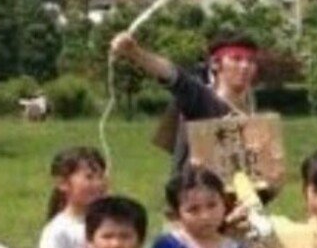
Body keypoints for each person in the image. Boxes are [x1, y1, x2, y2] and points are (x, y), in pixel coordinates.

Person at [109, 30, 262, 177]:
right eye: (236, 59)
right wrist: (134, 52)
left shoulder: (251, 113)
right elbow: (174, 76)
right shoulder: (203, 99)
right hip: (194, 193)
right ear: (215, 63)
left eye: (251, 61)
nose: (245, 66)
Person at [38, 147, 108, 248]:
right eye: (89, 177)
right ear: (62, 183)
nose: (98, 183)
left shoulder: (109, 222)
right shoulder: (57, 231)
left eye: (101, 177)